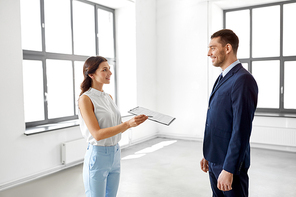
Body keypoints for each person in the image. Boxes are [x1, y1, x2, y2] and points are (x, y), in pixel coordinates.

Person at [78, 56, 148, 197]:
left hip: (115, 153)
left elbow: (114, 124)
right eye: (104, 70)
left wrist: (133, 120)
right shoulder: (85, 99)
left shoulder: (108, 97)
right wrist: (128, 124)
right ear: (91, 74)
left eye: (109, 69)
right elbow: (97, 134)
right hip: (98, 155)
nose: (110, 73)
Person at [200, 29, 258, 197]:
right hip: (215, 160)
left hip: (229, 165)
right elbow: (218, 120)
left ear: (227, 48)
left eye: (212, 48)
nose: (208, 53)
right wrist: (209, 155)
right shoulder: (222, 77)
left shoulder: (243, 80)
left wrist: (228, 169)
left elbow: (241, 129)